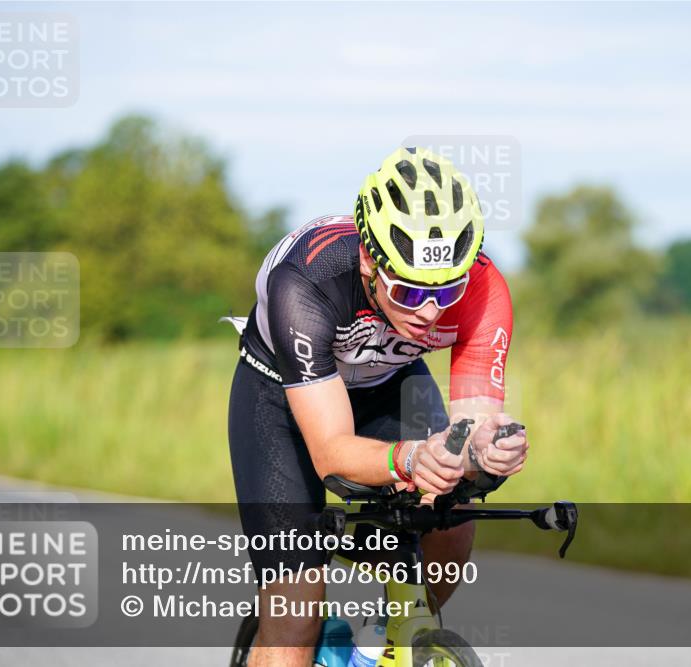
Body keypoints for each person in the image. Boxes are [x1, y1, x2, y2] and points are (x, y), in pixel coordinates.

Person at [226, 147, 528, 666]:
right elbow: (331, 453)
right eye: (409, 292)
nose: (431, 311)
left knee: (452, 519)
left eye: (446, 289)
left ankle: (388, 640)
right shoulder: (308, 278)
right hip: (278, 395)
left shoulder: (484, 289)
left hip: (387, 382)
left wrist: (484, 450)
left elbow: (471, 429)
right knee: (296, 615)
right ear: (370, 260)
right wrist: (409, 459)